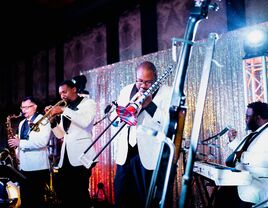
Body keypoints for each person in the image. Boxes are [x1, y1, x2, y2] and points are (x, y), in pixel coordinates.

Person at [112, 61, 172, 208]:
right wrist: (117, 116)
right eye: (139, 81)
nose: (143, 86)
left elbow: (169, 123)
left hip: (151, 155)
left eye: (148, 82)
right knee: (122, 198)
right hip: (126, 155)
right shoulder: (127, 90)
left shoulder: (168, 92)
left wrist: (150, 106)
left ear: (156, 78)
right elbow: (116, 116)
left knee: (148, 201)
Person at [47, 79, 97, 208]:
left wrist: (63, 110)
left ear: (74, 89)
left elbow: (84, 121)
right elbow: (62, 135)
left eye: (65, 92)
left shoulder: (88, 103)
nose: (62, 95)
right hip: (66, 157)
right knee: (65, 194)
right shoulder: (67, 108)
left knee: (80, 194)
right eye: (60, 93)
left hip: (82, 156)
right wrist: (52, 122)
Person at [214, 101, 268, 207]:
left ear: (258, 118)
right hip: (243, 183)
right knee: (221, 195)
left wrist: (243, 156)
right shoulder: (255, 133)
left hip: (256, 186)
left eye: (248, 116)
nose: (246, 120)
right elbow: (246, 151)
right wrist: (232, 140)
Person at [8, 96, 51, 208]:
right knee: (26, 201)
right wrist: (16, 150)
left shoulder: (44, 120)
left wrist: (20, 143)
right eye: (22, 107)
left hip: (38, 168)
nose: (24, 110)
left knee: (37, 201)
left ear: (35, 107)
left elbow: (42, 142)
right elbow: (22, 141)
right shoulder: (22, 123)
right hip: (24, 168)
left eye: (27, 107)